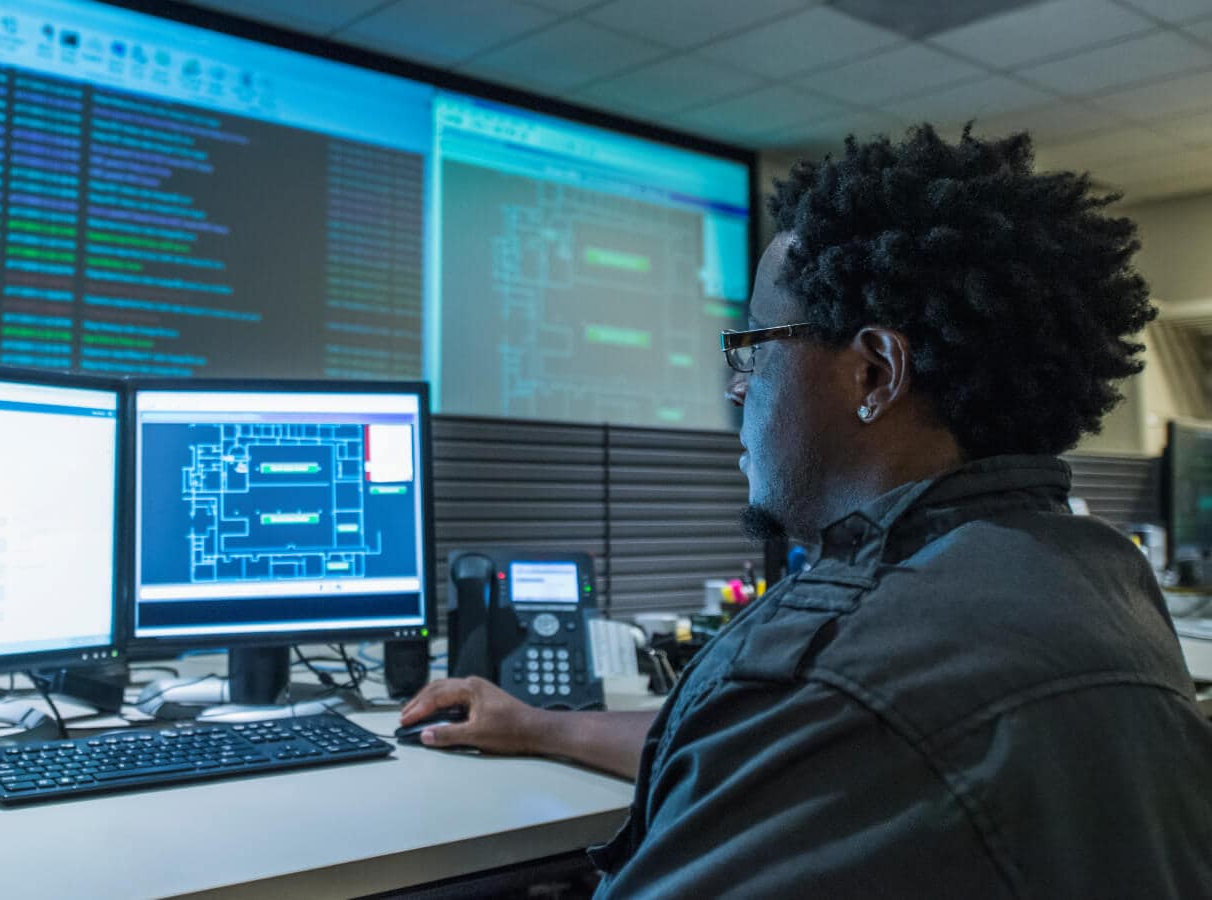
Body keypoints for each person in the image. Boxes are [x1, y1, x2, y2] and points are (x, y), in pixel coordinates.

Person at [400, 125, 1212, 897]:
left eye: (755, 345)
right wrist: (540, 725)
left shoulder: (843, 666)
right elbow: (764, 747)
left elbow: (824, 714)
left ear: (872, 373)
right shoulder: (1097, 577)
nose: (736, 385)